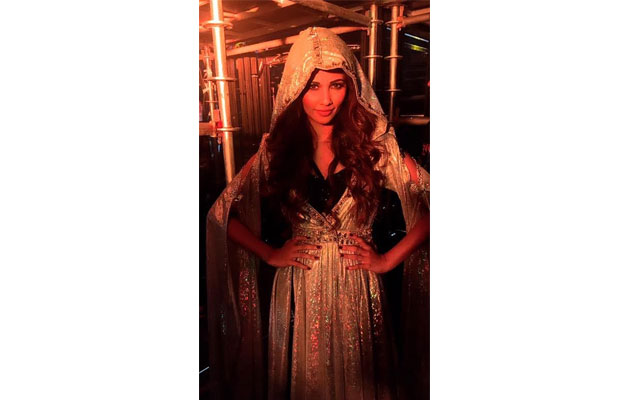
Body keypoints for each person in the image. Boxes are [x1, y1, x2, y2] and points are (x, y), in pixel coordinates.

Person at [206, 27, 430, 400]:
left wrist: (388, 260)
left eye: (336, 85)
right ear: (296, 87)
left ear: (351, 87)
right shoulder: (275, 151)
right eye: (314, 86)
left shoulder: (376, 146)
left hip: (358, 290)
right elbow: (221, 214)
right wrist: (269, 254)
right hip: (298, 292)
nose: (326, 99)